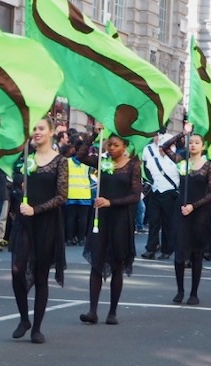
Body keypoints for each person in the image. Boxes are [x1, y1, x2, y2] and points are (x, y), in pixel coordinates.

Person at [10, 117, 67, 344]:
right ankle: (24, 319)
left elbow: (62, 196)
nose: (36, 132)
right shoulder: (26, 158)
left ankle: (37, 328)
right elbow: (14, 178)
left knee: (41, 275)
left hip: (46, 223)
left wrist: (37, 209)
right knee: (17, 269)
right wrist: (19, 186)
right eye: (34, 128)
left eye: (41, 128)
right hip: (25, 222)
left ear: (52, 132)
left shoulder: (60, 161)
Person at [78, 134, 141, 325]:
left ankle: (112, 311)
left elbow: (135, 195)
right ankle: (92, 310)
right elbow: (80, 156)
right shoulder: (102, 162)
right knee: (96, 262)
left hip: (121, 219)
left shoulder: (132, 165)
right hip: (101, 219)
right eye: (109, 144)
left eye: (116, 145)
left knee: (117, 264)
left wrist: (111, 202)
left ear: (125, 146)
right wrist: (94, 135)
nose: (111, 148)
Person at [163, 124, 211, 305]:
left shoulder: (209, 166)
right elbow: (164, 147)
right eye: (191, 142)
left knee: (196, 253)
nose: (193, 145)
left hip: (199, 212)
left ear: (203, 146)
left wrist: (194, 206)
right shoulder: (182, 161)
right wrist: (182, 133)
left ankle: (194, 292)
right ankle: (180, 290)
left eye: (197, 143)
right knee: (179, 252)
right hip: (181, 210)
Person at [141, 132, 180, 260]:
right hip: (156, 191)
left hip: (171, 193)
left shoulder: (178, 157)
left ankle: (167, 249)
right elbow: (147, 170)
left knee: (168, 223)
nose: (162, 150)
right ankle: (151, 248)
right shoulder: (152, 157)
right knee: (154, 221)